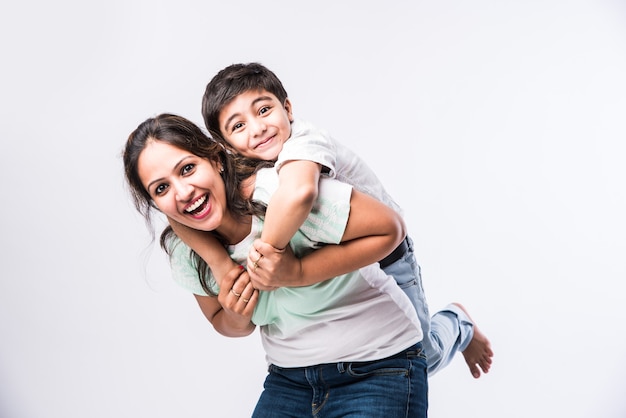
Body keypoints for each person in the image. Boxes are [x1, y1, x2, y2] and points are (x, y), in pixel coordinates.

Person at [189, 61, 493, 378]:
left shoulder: (304, 142)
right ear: (224, 145)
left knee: (421, 355)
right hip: (339, 263)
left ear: (287, 108)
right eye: (238, 126)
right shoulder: (243, 168)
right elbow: (178, 217)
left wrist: (268, 257)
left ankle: (458, 323)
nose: (257, 128)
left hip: (387, 254)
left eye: (264, 110)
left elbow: (299, 192)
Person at [123, 113, 428, 417]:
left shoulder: (280, 194)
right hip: (290, 379)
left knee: (434, 349)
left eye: (187, 169)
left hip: (378, 364)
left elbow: (390, 229)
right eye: (161, 189)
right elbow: (221, 320)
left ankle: (457, 325)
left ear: (215, 159)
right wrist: (236, 314)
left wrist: (297, 272)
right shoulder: (187, 250)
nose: (183, 192)